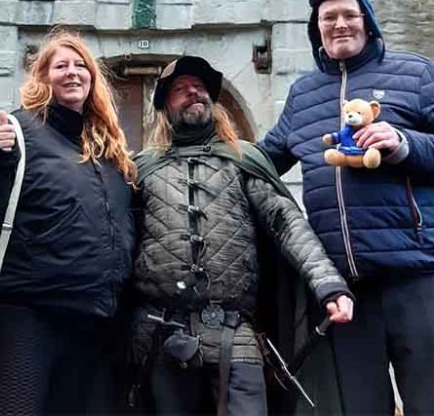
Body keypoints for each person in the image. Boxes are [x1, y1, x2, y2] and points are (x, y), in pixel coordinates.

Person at [260, 0, 434, 415]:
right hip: (345, 293)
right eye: (328, 18)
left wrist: (404, 143)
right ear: (316, 28)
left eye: (348, 14)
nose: (339, 25)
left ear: (367, 19)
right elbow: (261, 163)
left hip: (416, 276)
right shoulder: (303, 96)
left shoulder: (416, 74)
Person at [127, 56, 354, 416]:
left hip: (236, 334)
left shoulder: (242, 159)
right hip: (160, 336)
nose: (193, 93)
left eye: (199, 88)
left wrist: (328, 284)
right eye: (181, 90)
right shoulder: (141, 169)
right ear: (165, 107)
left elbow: (287, 223)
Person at [0, 29, 136, 415]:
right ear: (43, 77)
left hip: (94, 323)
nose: (73, 72)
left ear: (93, 80)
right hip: (29, 318)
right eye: (61, 66)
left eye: (81, 66)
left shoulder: (108, 152)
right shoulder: (17, 132)